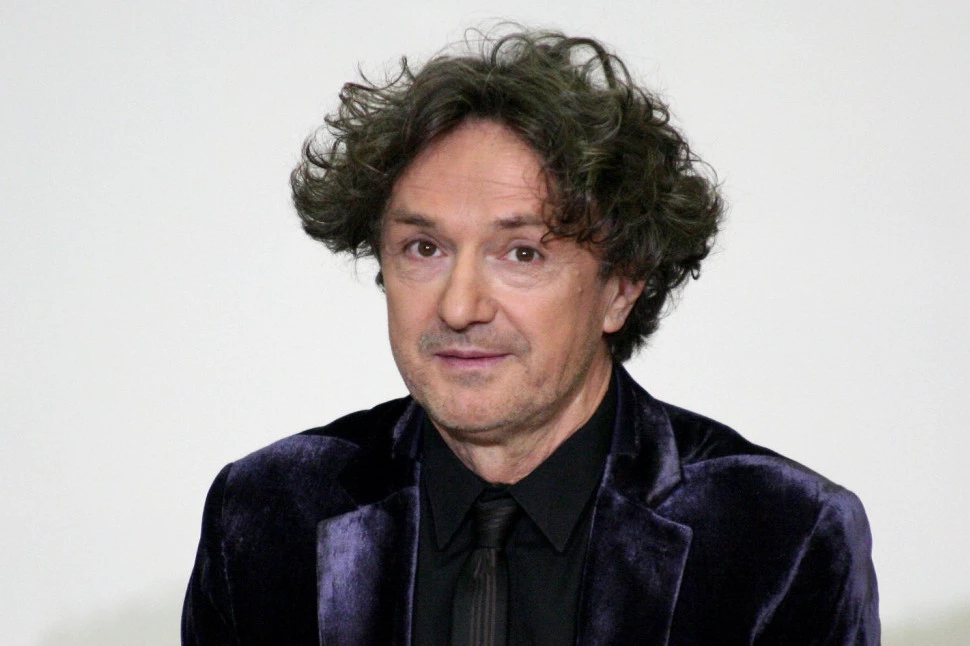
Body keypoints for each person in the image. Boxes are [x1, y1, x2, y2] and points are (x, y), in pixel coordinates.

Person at [182, 29, 879, 645]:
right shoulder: (269, 515)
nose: (459, 306)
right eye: (424, 248)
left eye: (522, 254)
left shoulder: (778, 536)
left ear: (621, 285)